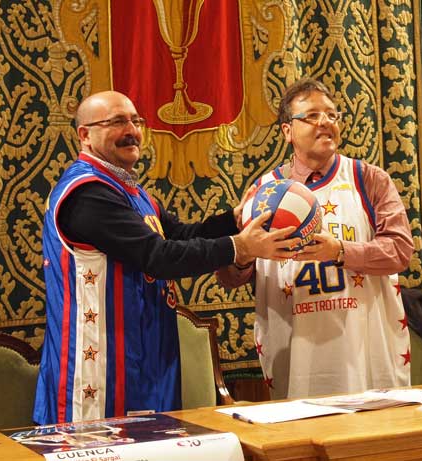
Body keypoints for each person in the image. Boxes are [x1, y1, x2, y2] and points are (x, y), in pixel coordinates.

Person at [34, 90, 299, 425]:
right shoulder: (87, 193)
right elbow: (156, 256)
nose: (131, 129)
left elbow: (183, 235)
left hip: (141, 356)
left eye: (135, 120)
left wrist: (235, 218)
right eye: (117, 122)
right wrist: (240, 247)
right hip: (99, 371)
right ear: (84, 135)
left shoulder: (131, 192)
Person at [217, 78, 414, 400]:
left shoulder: (369, 179)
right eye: (311, 116)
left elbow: (400, 251)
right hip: (296, 349)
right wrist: (245, 253)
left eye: (332, 115)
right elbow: (230, 276)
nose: (324, 122)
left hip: (364, 348)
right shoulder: (264, 191)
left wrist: (339, 250)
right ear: (286, 131)